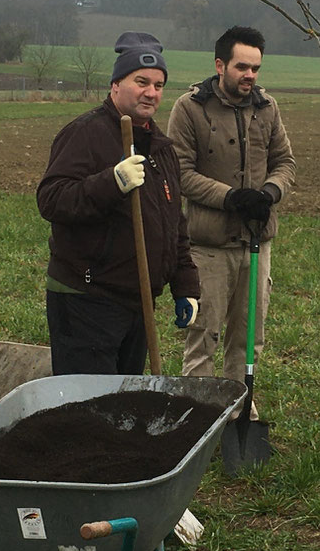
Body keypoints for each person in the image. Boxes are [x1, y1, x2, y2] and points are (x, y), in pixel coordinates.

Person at [37, 32, 200, 374]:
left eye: (158, 85)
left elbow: (175, 226)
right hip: (87, 299)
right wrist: (112, 182)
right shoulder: (86, 134)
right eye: (141, 81)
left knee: (124, 403)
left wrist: (185, 287)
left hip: (137, 301)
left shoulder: (161, 149)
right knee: (90, 407)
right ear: (115, 85)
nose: (151, 92)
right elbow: (52, 200)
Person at [167, 26, 296, 388]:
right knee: (202, 335)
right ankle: (200, 409)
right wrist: (230, 198)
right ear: (220, 65)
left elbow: (285, 161)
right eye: (242, 67)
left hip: (256, 243)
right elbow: (180, 172)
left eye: (256, 68)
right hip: (208, 247)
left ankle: (239, 405)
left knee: (247, 338)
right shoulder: (189, 109)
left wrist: (269, 193)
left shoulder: (267, 108)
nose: (250, 76)